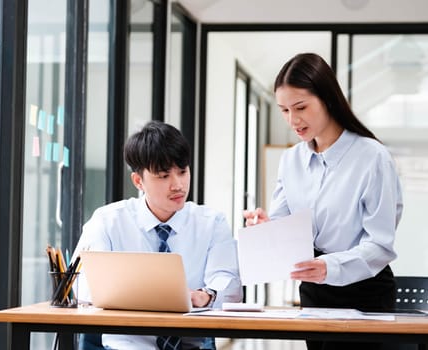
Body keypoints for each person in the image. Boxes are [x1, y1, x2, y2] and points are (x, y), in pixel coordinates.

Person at [243, 53, 403, 350]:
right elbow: (285, 224)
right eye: (284, 110)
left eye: (300, 107)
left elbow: (380, 245)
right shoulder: (291, 160)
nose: (293, 120)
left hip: (365, 293)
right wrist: (266, 228)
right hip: (315, 292)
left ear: (327, 99)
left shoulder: (372, 157)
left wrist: (329, 266)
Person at [74, 120, 243, 350]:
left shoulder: (211, 223)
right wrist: (145, 296)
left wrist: (208, 295)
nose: (178, 185)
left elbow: (231, 288)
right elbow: (80, 285)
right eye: (163, 176)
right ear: (138, 181)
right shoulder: (108, 222)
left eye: (182, 172)